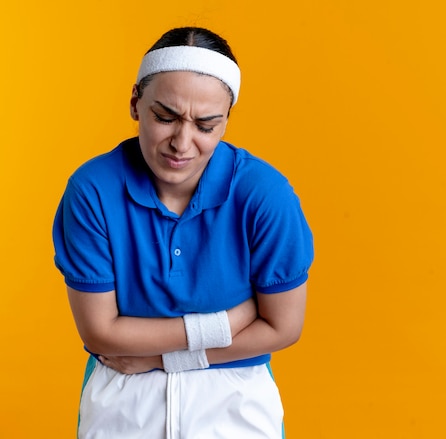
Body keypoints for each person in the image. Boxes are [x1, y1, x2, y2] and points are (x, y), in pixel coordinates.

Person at [52, 26, 314, 439]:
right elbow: (100, 333)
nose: (182, 142)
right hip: (123, 399)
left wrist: (163, 358)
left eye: (206, 125)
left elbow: (284, 328)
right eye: (165, 117)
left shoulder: (265, 195)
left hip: (236, 401)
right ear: (136, 101)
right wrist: (229, 321)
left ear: (227, 120)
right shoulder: (93, 190)